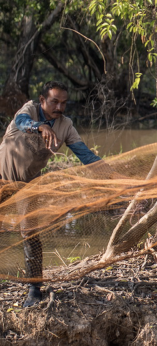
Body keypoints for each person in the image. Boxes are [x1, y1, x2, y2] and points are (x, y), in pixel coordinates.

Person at [0, 81, 102, 307]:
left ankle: (34, 288)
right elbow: (22, 122)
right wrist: (40, 127)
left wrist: (111, 171)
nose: (59, 107)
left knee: (30, 232)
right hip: (1, 177)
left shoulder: (65, 125)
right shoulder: (28, 110)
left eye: (63, 103)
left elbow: (85, 155)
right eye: (54, 101)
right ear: (42, 100)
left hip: (28, 184)